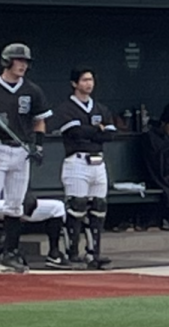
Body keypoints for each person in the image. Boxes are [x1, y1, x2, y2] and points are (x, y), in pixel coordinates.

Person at [50, 66, 117, 269]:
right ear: (74, 83)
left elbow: (110, 134)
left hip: (98, 162)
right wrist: (97, 130)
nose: (89, 84)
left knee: (98, 208)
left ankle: (93, 253)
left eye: (91, 80)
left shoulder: (101, 108)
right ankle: (73, 253)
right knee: (76, 207)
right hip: (76, 162)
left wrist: (92, 131)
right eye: (84, 80)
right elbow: (74, 133)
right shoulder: (66, 108)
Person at [0, 43, 51, 274]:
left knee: (14, 203)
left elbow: (39, 121)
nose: (23, 65)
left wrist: (38, 147)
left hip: (21, 149)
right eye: (18, 60)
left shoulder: (32, 90)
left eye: (25, 62)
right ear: (7, 61)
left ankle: (9, 252)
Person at [0, 194, 67, 271]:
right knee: (13, 207)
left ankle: (54, 255)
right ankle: (9, 253)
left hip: (17, 200)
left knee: (58, 207)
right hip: (5, 202)